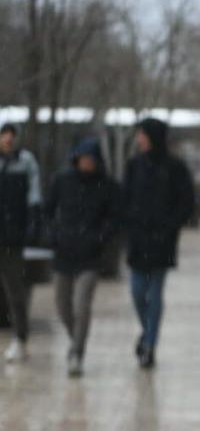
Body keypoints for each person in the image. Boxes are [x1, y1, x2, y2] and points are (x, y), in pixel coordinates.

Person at [44, 138, 121, 376]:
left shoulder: (106, 186)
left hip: (90, 256)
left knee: (82, 304)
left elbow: (114, 218)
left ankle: (77, 353)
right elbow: (47, 211)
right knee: (62, 305)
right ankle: (75, 338)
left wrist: (99, 238)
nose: (87, 164)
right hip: (64, 252)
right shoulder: (62, 180)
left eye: (91, 160)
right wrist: (53, 235)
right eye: (84, 159)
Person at [124, 118, 194, 368]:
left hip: (162, 242)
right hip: (137, 240)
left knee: (154, 295)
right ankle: (147, 331)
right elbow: (125, 197)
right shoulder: (134, 165)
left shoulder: (175, 168)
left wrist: (169, 225)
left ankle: (150, 345)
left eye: (141, 134)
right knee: (137, 292)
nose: (138, 139)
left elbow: (186, 202)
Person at [0, 123, 42, 363]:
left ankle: (20, 338)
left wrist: (31, 225)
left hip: (11, 239)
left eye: (10, 136)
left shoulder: (25, 163)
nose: (7, 140)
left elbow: (34, 196)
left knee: (15, 292)